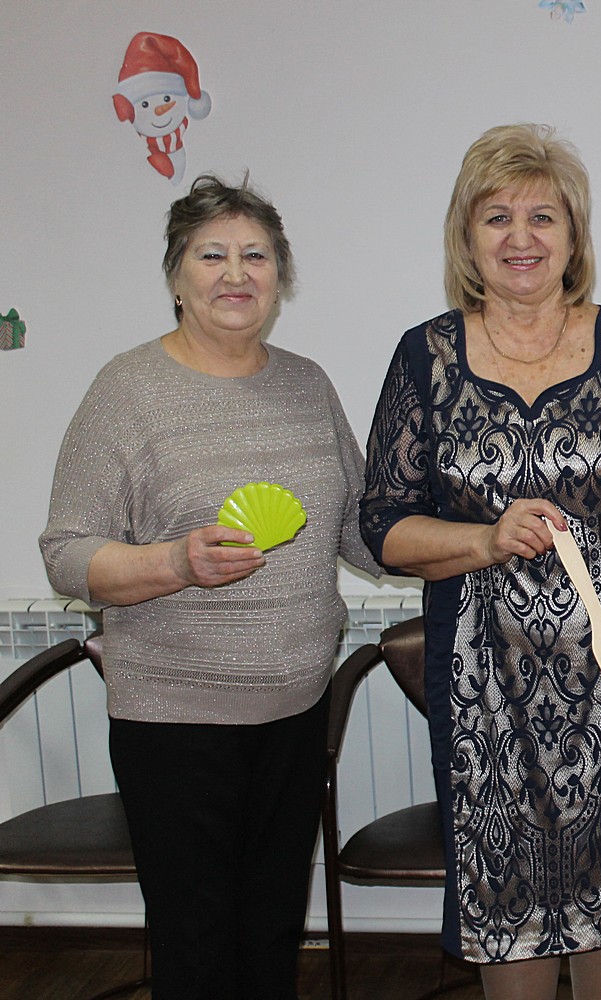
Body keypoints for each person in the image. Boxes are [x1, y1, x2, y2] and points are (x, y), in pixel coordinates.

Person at [360, 123, 601, 1000]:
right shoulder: (424, 357)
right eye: (497, 217)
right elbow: (383, 527)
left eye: (543, 217)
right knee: (503, 904)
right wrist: (482, 540)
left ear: (573, 236)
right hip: (482, 696)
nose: (521, 238)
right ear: (467, 237)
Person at [39, 175, 380, 1000]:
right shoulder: (127, 390)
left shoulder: (307, 384)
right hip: (174, 723)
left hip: (296, 712)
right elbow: (66, 554)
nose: (236, 274)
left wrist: (470, 534)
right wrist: (175, 564)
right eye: (212, 255)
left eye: (256, 256)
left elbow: (361, 530)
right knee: (196, 946)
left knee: (272, 934)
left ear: (280, 276)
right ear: (176, 275)